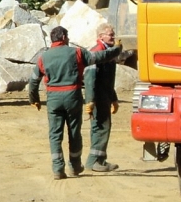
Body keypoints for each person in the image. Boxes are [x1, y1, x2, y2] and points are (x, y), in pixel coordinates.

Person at [28, 25, 122, 179]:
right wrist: (117, 49)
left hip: (53, 99)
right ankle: (75, 166)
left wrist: (34, 99)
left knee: (55, 134)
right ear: (64, 37)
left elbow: (33, 81)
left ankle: (58, 169)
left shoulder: (43, 58)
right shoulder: (76, 52)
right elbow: (98, 57)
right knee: (74, 133)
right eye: (68, 36)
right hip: (73, 97)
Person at [83, 23, 121, 173]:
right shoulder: (97, 52)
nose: (113, 37)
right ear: (100, 37)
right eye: (110, 35)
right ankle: (93, 161)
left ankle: (101, 160)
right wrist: (90, 100)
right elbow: (90, 79)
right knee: (100, 127)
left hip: (105, 96)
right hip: (98, 97)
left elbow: (108, 79)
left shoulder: (107, 52)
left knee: (104, 127)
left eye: (113, 34)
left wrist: (114, 98)